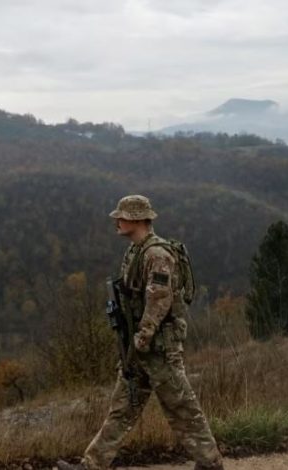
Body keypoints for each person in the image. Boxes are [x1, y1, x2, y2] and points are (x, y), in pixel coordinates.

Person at [58, 195, 224, 470]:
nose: (117, 221)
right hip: (140, 347)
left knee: (181, 408)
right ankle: (91, 465)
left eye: (121, 217)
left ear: (136, 219)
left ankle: (210, 463)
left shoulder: (157, 255)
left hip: (157, 348)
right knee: (122, 409)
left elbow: (159, 300)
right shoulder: (135, 251)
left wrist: (143, 337)